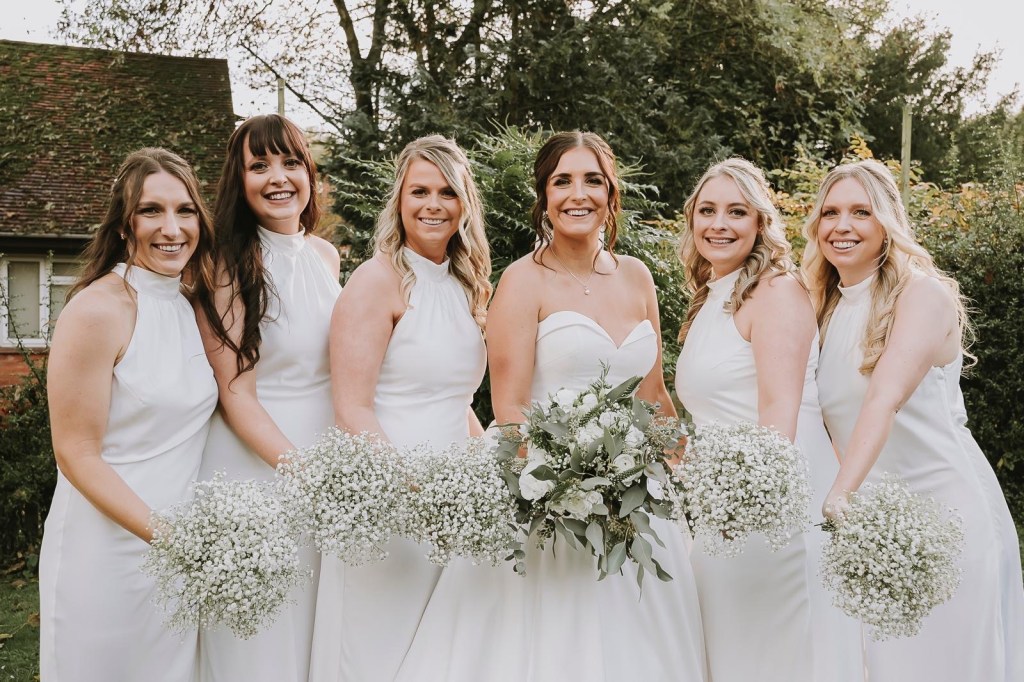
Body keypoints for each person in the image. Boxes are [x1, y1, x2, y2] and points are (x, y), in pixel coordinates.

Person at [398, 131, 707, 681]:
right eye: (562, 181)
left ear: (611, 194)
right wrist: (569, 488)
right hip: (549, 496)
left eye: (592, 181)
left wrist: (690, 469)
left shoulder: (637, 277)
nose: (577, 194)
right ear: (544, 196)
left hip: (638, 494)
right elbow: (510, 407)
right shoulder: (522, 281)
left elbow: (653, 393)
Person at [806, 158, 1024, 681]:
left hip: (947, 521)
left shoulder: (923, 294)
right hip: (878, 531)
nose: (842, 226)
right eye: (830, 213)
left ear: (888, 223)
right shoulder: (824, 308)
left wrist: (838, 496)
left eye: (861, 212)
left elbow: (883, 398)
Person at [308, 134, 491, 682]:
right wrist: (417, 494)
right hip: (387, 500)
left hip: (454, 504)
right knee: (379, 653)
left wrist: (488, 473)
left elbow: (456, 401)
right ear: (400, 200)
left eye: (447, 192)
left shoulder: (467, 286)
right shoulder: (376, 281)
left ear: (464, 204)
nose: (433, 205)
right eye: (419, 192)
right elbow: (352, 409)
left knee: (440, 655)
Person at [674, 158, 864, 682]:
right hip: (722, 509)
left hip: (772, 509)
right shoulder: (713, 296)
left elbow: (779, 414)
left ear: (760, 222)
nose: (719, 224)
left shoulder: (776, 292)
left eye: (737, 212)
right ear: (692, 219)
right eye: (708, 211)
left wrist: (740, 508)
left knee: (776, 657)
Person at [39, 148, 219, 681]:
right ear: (123, 224)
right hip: (106, 551)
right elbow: (75, 452)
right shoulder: (98, 311)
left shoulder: (188, 305)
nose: (172, 228)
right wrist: (169, 538)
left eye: (185, 210)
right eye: (151, 211)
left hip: (177, 555)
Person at [193, 114, 341, 682]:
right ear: (240, 180)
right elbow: (236, 394)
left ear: (309, 173)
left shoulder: (325, 256)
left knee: (316, 628)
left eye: (290, 162)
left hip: (325, 457)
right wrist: (305, 475)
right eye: (259, 166)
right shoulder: (226, 264)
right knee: (263, 638)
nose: (278, 177)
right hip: (257, 466)